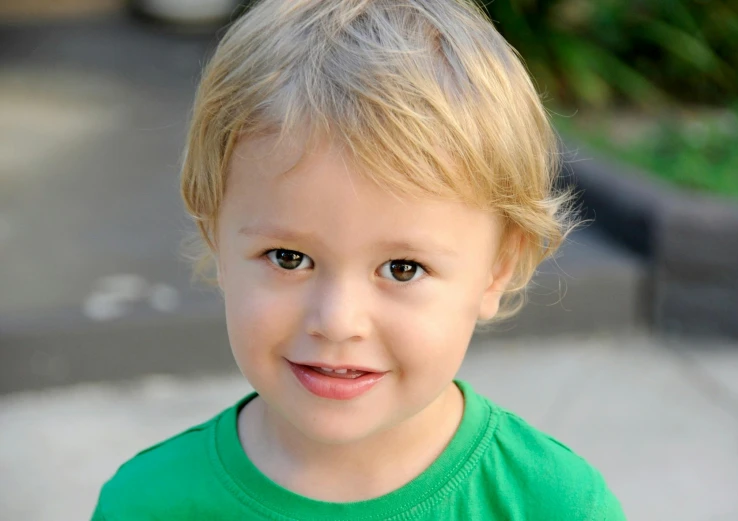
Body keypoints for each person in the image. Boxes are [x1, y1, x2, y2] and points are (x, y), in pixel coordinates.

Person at [91, 0, 626, 519]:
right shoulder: (146, 504)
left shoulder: (557, 506)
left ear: (497, 270)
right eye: (288, 257)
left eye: (403, 268)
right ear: (216, 239)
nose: (338, 321)